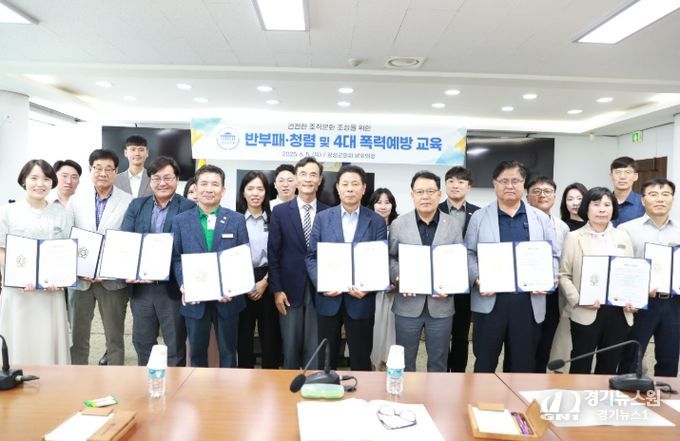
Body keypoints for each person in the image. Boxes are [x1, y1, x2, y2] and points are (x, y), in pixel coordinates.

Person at [466, 160, 558, 373]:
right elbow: (469, 253)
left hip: (527, 303)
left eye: (515, 180)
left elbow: (553, 255)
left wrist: (549, 280)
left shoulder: (540, 218)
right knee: (485, 362)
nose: (509, 186)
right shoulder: (479, 217)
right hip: (490, 302)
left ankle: (516, 396)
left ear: (524, 183)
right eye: (503, 181)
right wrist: (477, 278)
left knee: (522, 364)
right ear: (494, 184)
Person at [307, 165, 387, 371]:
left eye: (355, 184)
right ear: (337, 188)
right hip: (328, 298)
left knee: (361, 357)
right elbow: (311, 256)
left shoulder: (376, 221)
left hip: (361, 299)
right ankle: (326, 387)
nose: (350, 189)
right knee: (326, 358)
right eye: (345, 184)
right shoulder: (323, 218)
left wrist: (369, 287)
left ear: (364, 188)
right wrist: (322, 284)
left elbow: (380, 260)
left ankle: (362, 390)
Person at [121, 156, 195, 366]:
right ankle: (146, 382)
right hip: (141, 288)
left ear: (177, 179)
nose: (162, 183)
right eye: (156, 178)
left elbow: (188, 246)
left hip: (172, 288)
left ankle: (175, 384)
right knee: (142, 342)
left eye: (168, 178)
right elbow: (127, 240)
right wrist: (129, 270)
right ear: (150, 180)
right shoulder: (137, 205)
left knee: (175, 345)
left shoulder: (189, 207)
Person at [171, 164, 248, 367]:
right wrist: (184, 284)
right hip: (195, 300)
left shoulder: (237, 220)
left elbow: (242, 258)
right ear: (195, 189)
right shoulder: (180, 221)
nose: (209, 189)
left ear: (223, 190)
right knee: (196, 354)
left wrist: (234, 288)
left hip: (228, 300)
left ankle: (228, 387)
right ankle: (198, 388)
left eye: (215, 184)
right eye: (204, 184)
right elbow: (176, 257)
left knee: (229, 353)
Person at [389, 171, 463, 372]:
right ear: (412, 195)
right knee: (405, 361)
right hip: (407, 305)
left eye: (430, 191)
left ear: (439, 194)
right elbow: (391, 257)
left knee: (439, 361)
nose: (425, 197)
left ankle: (436, 393)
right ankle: (405, 393)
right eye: (420, 192)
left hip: (441, 305)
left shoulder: (453, 224)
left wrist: (452, 285)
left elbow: (458, 260)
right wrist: (398, 276)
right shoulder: (399, 224)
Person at [0, 160, 73, 365]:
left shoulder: (62, 213)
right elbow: (1, 249)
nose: (40, 184)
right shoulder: (7, 211)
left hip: (50, 291)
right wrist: (18, 277)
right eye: (34, 178)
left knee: (48, 340)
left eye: (46, 179)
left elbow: (67, 250)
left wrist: (61, 278)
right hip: (19, 291)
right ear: (24, 180)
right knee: (19, 340)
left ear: (52, 183)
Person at [559, 187, 636, 374]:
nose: (602, 209)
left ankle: (602, 394)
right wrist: (579, 299)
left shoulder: (623, 236)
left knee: (609, 364)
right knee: (581, 363)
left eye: (607, 205)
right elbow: (563, 275)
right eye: (596, 204)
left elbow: (632, 273)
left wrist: (633, 299)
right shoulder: (574, 237)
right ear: (587, 208)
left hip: (618, 312)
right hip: (586, 309)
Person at [68, 149, 133, 365]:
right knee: (78, 337)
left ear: (116, 171)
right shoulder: (75, 201)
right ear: (90, 169)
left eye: (108, 169)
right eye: (98, 168)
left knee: (115, 338)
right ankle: (77, 375)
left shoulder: (128, 201)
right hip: (81, 281)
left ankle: (116, 376)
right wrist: (76, 270)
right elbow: (69, 238)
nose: (103, 173)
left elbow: (130, 240)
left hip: (112, 281)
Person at [268, 157, 329, 369]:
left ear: (320, 180)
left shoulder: (329, 212)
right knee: (290, 349)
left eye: (313, 175)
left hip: (320, 288)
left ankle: (313, 385)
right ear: (296, 179)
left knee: (314, 349)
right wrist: (276, 290)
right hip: (288, 289)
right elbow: (273, 254)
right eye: (303, 174)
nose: (308, 179)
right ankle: (290, 387)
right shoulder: (280, 212)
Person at [618, 178, 680, 377]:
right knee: (631, 357)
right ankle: (625, 393)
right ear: (643, 200)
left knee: (669, 358)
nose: (660, 199)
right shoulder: (627, 229)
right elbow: (621, 267)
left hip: (674, 303)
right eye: (653, 195)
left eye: (665, 194)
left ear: (672, 199)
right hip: (639, 303)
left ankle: (664, 395)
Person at [235, 171, 281, 369]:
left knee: (270, 334)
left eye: (260, 189)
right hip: (241, 280)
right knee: (243, 334)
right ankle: (244, 376)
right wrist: (246, 282)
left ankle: (270, 376)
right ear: (243, 192)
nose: (255, 193)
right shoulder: (235, 219)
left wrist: (265, 282)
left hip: (269, 277)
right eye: (250, 188)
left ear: (266, 192)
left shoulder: (275, 219)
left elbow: (280, 254)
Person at [525, 176, 569, 373]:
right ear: (527, 196)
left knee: (546, 342)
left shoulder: (562, 227)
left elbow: (564, 261)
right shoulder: (521, 222)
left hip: (552, 293)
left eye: (547, 191)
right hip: (525, 293)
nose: (542, 195)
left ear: (554, 196)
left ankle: (539, 378)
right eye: (536, 191)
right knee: (525, 343)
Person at [438, 165, 480, 373]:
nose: (456, 185)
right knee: (440, 334)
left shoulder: (479, 213)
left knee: (461, 335)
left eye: (461, 182)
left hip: (466, 283)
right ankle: (441, 374)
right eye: (451, 181)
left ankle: (458, 375)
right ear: (445, 185)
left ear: (468, 187)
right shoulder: (435, 210)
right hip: (440, 282)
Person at [368, 188, 399, 369]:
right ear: (372, 205)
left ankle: (388, 366)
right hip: (371, 290)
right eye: (379, 202)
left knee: (391, 331)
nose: (383, 206)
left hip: (394, 291)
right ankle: (373, 365)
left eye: (387, 202)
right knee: (374, 329)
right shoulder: (365, 226)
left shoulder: (398, 226)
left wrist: (395, 282)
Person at [609, 156, 645, 226]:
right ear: (611, 176)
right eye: (618, 172)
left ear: (635, 176)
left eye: (628, 172)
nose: (622, 177)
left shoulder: (644, 203)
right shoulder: (602, 202)